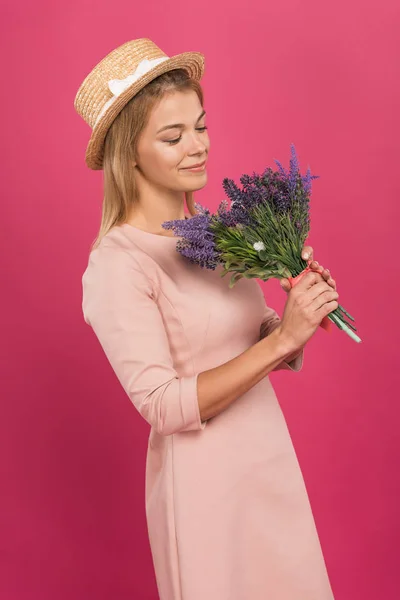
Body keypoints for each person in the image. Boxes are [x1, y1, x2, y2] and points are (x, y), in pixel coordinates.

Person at [74, 38, 337, 600]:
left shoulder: (215, 234)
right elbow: (163, 405)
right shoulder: (117, 265)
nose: (197, 147)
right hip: (207, 490)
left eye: (200, 126)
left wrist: (298, 319)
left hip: (269, 465)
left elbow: (253, 334)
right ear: (130, 153)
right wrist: (280, 341)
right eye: (172, 137)